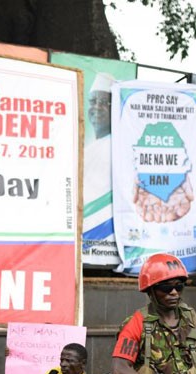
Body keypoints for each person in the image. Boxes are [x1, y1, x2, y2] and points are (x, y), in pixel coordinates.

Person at [83, 72, 115, 250]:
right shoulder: (91, 147)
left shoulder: (116, 145)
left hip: (102, 234)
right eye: (93, 101)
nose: (96, 107)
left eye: (103, 103)